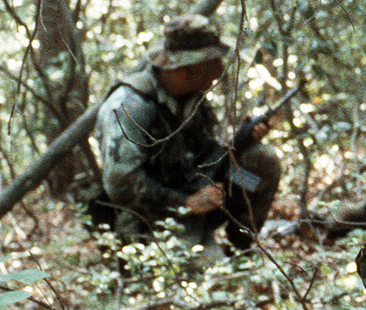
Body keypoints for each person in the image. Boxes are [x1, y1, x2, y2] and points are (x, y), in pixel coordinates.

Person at [93, 13, 282, 256]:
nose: (221, 69)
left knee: (261, 161)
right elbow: (121, 185)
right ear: (185, 71)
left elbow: (204, 154)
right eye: (213, 63)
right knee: (216, 282)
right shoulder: (129, 106)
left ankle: (239, 248)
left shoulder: (191, 97)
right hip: (151, 219)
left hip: (196, 198)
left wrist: (241, 143)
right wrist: (185, 204)